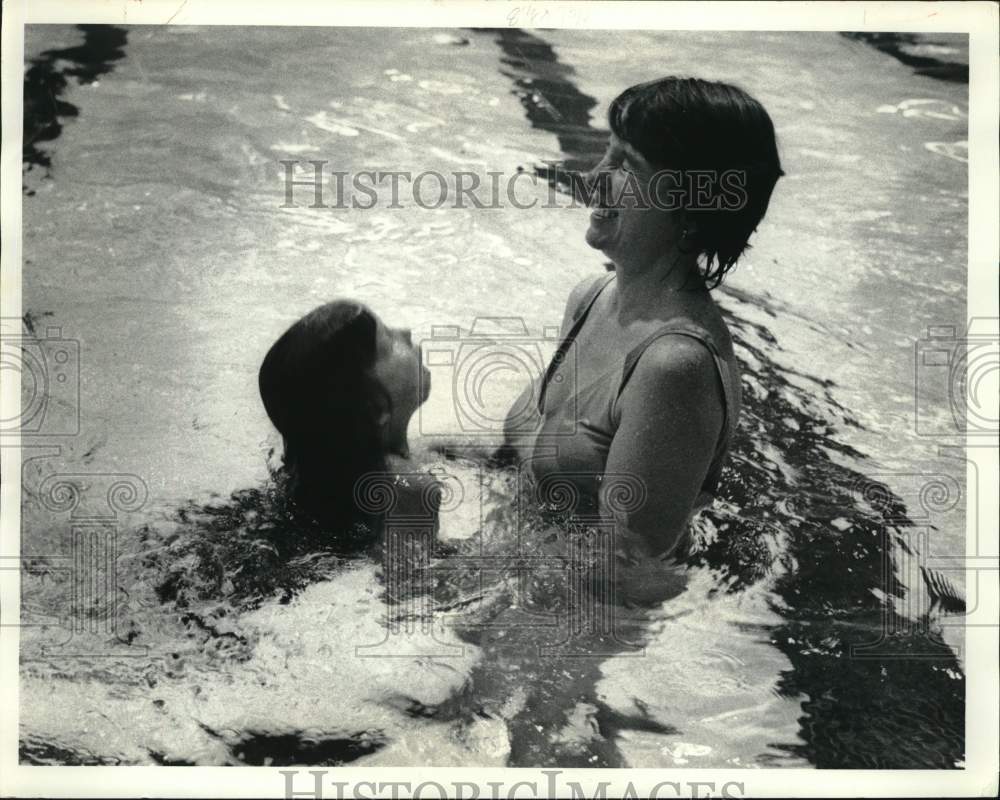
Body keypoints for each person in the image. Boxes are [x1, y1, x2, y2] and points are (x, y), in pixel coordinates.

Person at [503, 76, 784, 575]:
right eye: (606, 155)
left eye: (626, 166)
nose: (594, 177)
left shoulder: (674, 367)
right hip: (528, 566)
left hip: (579, 617)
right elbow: (527, 457)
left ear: (690, 207)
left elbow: (627, 572)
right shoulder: (590, 298)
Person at [258, 300, 438, 545]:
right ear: (375, 408)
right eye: (387, 338)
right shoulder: (407, 491)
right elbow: (414, 579)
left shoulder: (318, 470)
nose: (405, 331)